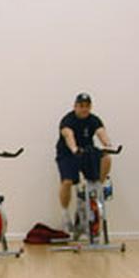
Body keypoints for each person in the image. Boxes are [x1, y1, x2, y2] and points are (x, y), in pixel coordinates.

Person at [55, 92, 114, 229]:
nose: (84, 109)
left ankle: (97, 188)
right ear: (75, 106)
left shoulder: (94, 120)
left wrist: (108, 145)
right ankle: (65, 214)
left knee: (106, 158)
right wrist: (74, 148)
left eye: (87, 106)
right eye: (81, 106)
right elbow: (68, 135)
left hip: (86, 152)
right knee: (68, 181)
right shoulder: (68, 120)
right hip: (67, 154)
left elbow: (101, 133)